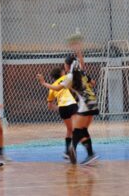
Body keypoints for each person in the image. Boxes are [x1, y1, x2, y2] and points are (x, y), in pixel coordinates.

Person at [37, 34, 99, 165]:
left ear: (68, 65)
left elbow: (57, 88)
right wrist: (78, 50)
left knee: (77, 130)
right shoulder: (81, 72)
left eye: (65, 65)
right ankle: (76, 151)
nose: (64, 67)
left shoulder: (70, 77)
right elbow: (91, 79)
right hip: (93, 102)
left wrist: (43, 83)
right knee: (81, 129)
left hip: (85, 104)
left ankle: (80, 151)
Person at [38, 67, 77, 159]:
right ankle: (73, 149)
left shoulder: (52, 87)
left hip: (62, 108)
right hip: (71, 104)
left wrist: (58, 108)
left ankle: (67, 151)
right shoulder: (66, 78)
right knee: (76, 129)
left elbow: (50, 106)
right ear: (61, 73)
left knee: (69, 129)